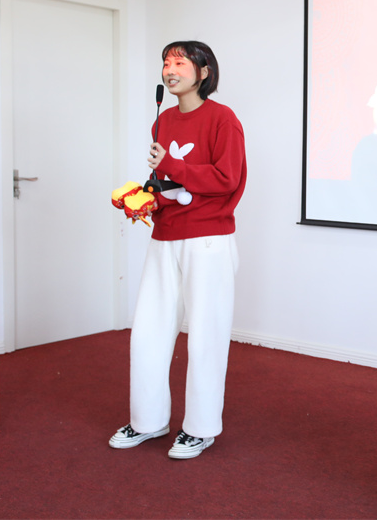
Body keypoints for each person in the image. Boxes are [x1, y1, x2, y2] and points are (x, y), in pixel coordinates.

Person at [109, 40, 246, 459]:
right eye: (166, 62)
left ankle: (200, 429)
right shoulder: (163, 120)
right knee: (148, 332)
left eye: (180, 62)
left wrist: (170, 165)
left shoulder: (223, 119)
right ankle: (147, 421)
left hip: (208, 239)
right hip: (165, 237)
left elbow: (226, 179)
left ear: (204, 72)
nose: (170, 70)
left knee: (205, 335)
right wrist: (147, 200)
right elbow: (168, 183)